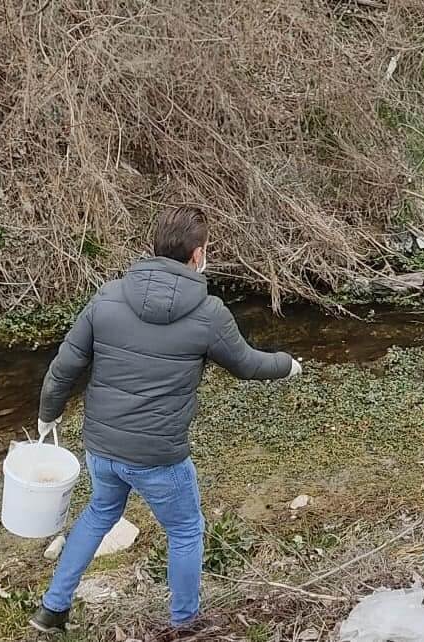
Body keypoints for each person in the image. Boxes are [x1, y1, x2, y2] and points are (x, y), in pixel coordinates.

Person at [30, 206, 301, 632]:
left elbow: (64, 367)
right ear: (197, 254)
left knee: (100, 512)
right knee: (186, 529)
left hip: (103, 447)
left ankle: (52, 609)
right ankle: (185, 623)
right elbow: (248, 364)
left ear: (154, 247)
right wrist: (288, 364)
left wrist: (48, 415)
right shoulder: (209, 312)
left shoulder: (107, 296)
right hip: (158, 455)